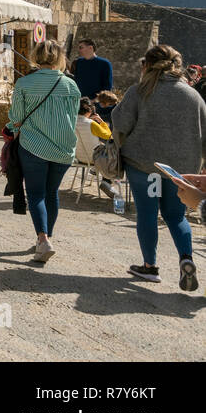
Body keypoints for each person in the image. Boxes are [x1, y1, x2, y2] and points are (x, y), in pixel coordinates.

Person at [111, 44, 206, 289]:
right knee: (176, 216)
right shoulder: (193, 96)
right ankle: (186, 258)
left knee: (147, 214)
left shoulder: (139, 91)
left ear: (146, 65)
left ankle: (150, 267)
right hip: (181, 171)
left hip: (144, 166)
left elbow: (120, 122)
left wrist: (122, 142)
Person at [9, 40, 81, 264]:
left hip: (34, 146)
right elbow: (74, 116)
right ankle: (46, 237)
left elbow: (16, 117)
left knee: (36, 194)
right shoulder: (71, 86)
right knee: (52, 193)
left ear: (35, 56)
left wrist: (13, 129)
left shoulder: (25, 83)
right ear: (60, 58)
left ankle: (42, 238)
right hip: (63, 148)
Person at [73, 97, 116, 198]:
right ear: (89, 110)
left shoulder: (72, 121)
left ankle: (95, 170)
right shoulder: (91, 124)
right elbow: (109, 136)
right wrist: (101, 121)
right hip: (94, 158)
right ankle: (106, 180)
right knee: (113, 150)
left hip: (78, 158)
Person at [72, 39, 115, 121]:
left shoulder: (104, 64)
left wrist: (94, 101)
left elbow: (107, 87)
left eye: (81, 47)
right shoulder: (78, 63)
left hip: (97, 106)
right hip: (79, 105)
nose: (79, 50)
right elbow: (75, 82)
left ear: (90, 48)